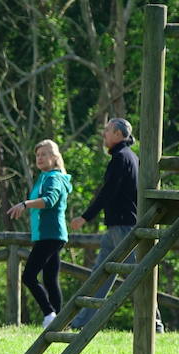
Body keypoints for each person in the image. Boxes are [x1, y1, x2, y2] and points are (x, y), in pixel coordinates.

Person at [69, 118, 163, 332]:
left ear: (119, 134)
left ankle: (155, 323)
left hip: (124, 227)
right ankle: (81, 322)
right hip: (117, 227)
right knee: (100, 276)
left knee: (136, 276)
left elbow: (108, 192)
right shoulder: (130, 157)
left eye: (108, 131)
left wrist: (85, 217)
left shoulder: (121, 158)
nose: (104, 134)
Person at [6, 139, 73, 328]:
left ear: (54, 157)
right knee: (50, 279)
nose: (40, 158)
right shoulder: (44, 177)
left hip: (50, 234)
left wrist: (25, 204)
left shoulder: (53, 177)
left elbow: (50, 200)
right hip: (47, 235)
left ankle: (49, 313)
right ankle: (60, 321)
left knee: (28, 276)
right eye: (37, 155)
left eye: (44, 154)